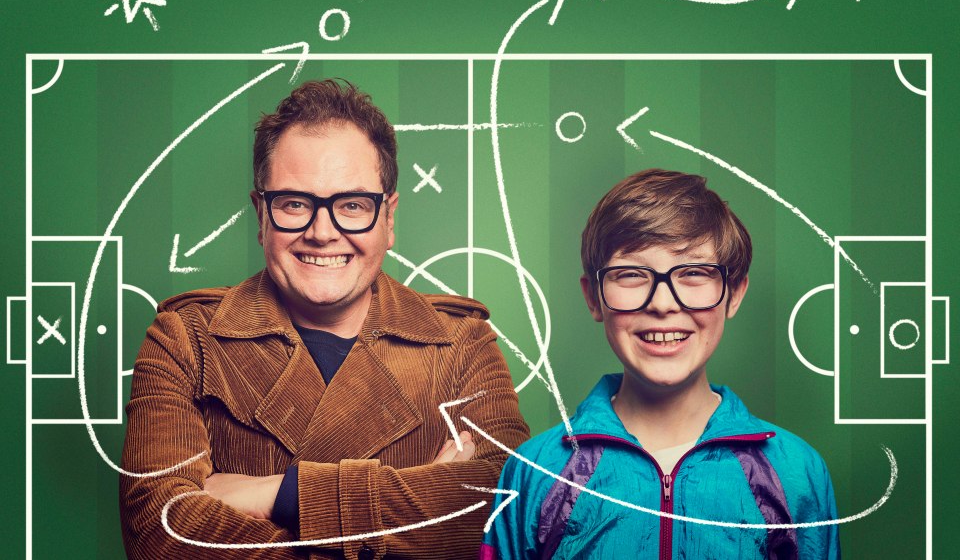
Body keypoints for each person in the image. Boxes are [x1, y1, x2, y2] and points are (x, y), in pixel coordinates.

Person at [119, 79, 529, 559]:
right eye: (295, 204)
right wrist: (417, 512)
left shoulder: (461, 343)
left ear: (388, 218)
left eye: (351, 206)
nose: (322, 232)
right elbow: (161, 531)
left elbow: (504, 510)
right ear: (261, 215)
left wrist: (281, 495)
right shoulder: (185, 340)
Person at [481, 169, 839, 559]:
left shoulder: (795, 473)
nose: (663, 303)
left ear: (734, 294)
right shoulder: (535, 472)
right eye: (631, 274)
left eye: (694, 273)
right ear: (594, 297)